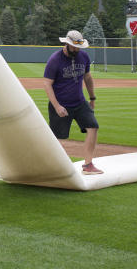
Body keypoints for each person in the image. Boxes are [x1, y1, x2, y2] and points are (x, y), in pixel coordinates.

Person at [43, 29, 102, 175]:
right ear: (67, 44)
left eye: (79, 47)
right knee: (58, 138)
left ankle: (88, 165)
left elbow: (87, 77)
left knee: (93, 127)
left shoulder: (83, 56)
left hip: (80, 102)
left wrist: (92, 98)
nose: (77, 50)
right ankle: (51, 166)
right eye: (74, 47)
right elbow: (47, 84)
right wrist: (57, 106)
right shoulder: (55, 60)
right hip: (61, 104)